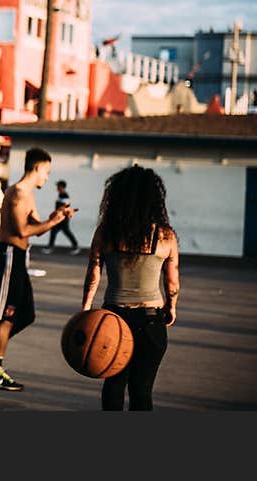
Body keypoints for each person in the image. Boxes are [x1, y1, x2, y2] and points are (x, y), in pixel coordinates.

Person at [0, 147, 76, 391]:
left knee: (26, 315)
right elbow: (22, 231)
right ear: (36, 168)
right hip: (8, 256)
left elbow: (36, 224)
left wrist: (57, 216)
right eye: (46, 172)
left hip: (20, 257)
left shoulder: (28, 194)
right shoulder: (17, 193)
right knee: (8, 316)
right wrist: (52, 222)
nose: (47, 178)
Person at [80, 165, 180, 411]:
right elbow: (172, 282)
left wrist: (86, 309)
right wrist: (171, 307)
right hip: (150, 321)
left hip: (113, 320)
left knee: (113, 386)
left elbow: (94, 270)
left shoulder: (106, 233)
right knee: (142, 391)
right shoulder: (165, 237)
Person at [41, 180, 81, 255]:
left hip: (63, 219)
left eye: (58, 186)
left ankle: (75, 247)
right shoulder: (60, 195)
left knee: (66, 232)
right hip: (59, 218)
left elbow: (65, 207)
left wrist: (62, 213)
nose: (57, 188)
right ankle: (51, 247)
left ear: (62, 187)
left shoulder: (64, 195)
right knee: (55, 231)